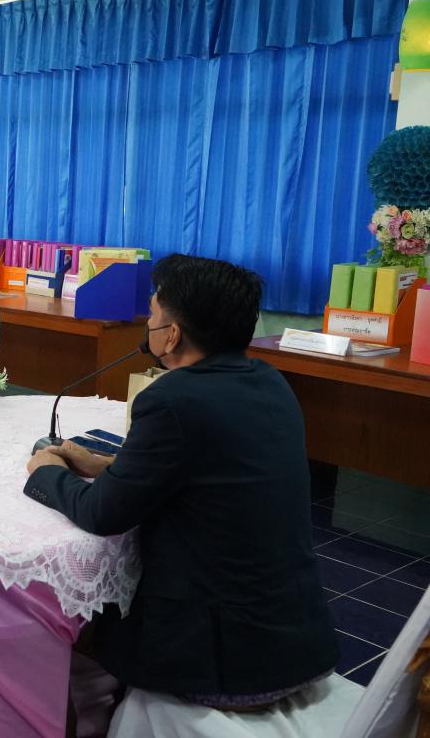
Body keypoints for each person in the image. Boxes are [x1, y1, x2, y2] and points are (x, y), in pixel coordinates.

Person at [24, 254, 337, 711]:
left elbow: (102, 513)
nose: (147, 325)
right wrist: (101, 463)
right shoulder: (269, 381)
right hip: (297, 643)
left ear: (171, 335)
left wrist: (46, 471)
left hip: (224, 661)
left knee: (59, 625)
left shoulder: (172, 399)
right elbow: (199, 470)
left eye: (152, 315)